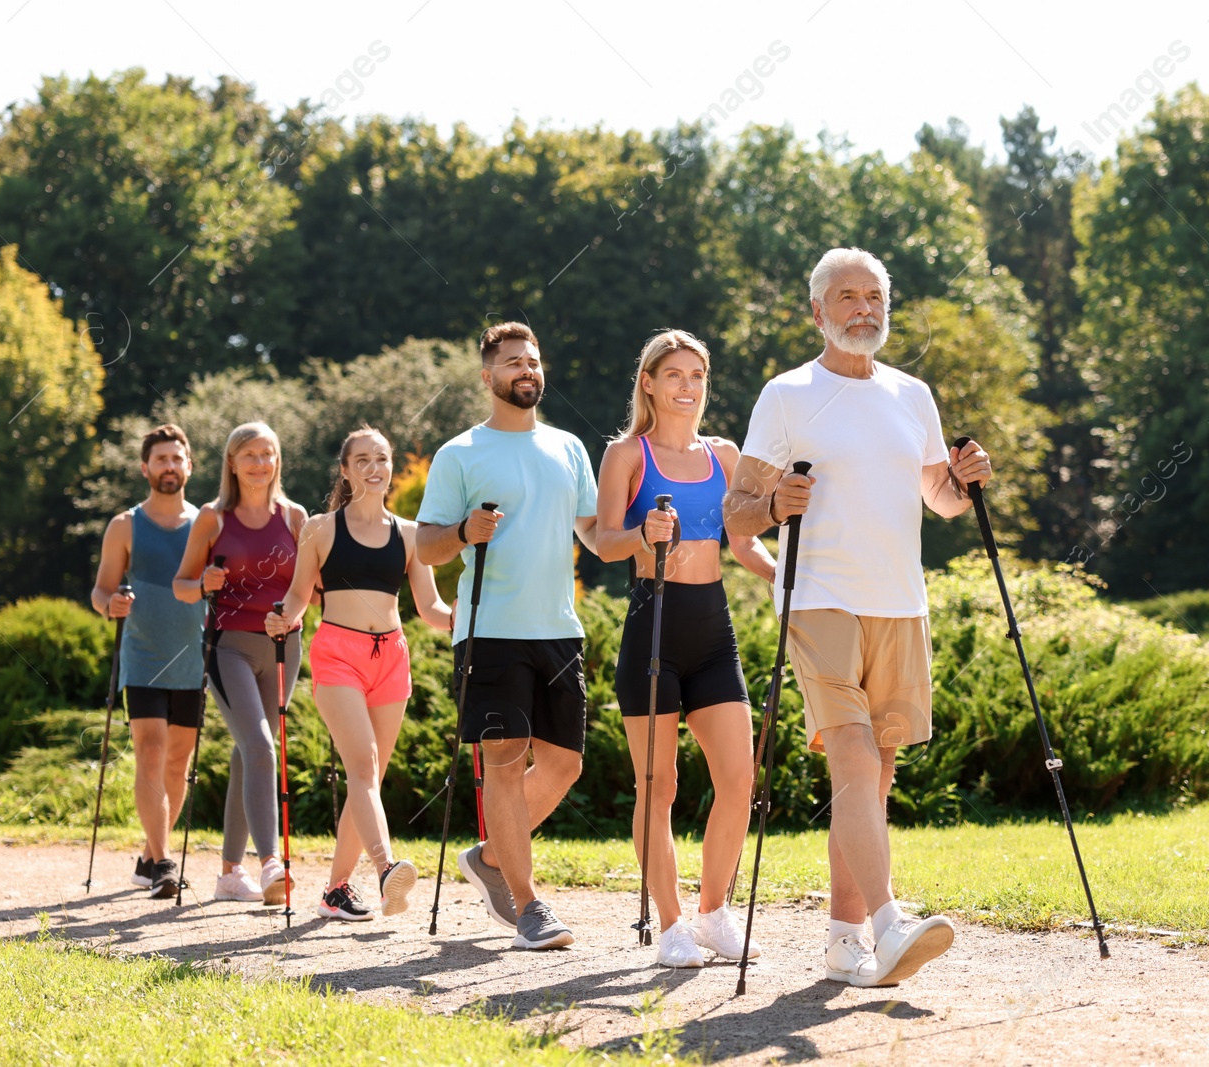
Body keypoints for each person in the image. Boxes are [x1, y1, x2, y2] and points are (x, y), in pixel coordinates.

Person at [724, 247, 992, 987]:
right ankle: (886, 924)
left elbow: (937, 496)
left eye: (874, 295)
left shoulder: (913, 395)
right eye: (847, 296)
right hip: (819, 596)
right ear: (818, 311)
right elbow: (735, 513)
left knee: (873, 781)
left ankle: (844, 940)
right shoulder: (787, 394)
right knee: (852, 757)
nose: (864, 308)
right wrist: (775, 503)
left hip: (899, 601)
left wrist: (964, 481)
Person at [415, 321, 600, 951]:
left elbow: (595, 534)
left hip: (557, 630)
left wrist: (650, 536)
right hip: (488, 630)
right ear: (488, 375)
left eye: (534, 361)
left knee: (564, 764)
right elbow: (427, 543)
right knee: (504, 758)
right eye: (514, 361)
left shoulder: (570, 448)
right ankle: (528, 907)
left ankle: (492, 856)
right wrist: (465, 531)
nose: (527, 370)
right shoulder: (459, 453)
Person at [596, 329, 777, 968]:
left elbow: (744, 542)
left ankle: (713, 913)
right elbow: (603, 541)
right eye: (673, 374)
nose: (686, 386)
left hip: (712, 629)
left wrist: (787, 575)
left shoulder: (725, 455)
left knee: (738, 778)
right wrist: (642, 534)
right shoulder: (626, 454)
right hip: (652, 627)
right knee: (659, 783)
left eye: (696, 375)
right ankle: (671, 923)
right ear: (648, 382)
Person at [264, 426, 454, 921]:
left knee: (365, 778)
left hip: (392, 657)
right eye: (363, 460)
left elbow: (429, 607)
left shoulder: (411, 534)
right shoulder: (321, 529)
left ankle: (335, 891)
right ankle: (387, 868)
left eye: (382, 459)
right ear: (346, 470)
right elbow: (299, 597)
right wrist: (281, 616)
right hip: (338, 653)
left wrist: (462, 616)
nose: (375, 468)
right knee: (364, 768)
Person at [173, 421, 314, 905]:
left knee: (247, 749)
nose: (260, 463)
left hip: (283, 646)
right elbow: (182, 585)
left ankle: (230, 873)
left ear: (278, 460)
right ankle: (271, 861)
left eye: (268, 453)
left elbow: (308, 589)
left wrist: (296, 613)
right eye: (250, 455)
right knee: (260, 745)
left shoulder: (296, 517)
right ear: (232, 462)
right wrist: (205, 584)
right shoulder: (212, 518)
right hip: (227, 647)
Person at [90, 424, 208, 899]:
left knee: (177, 764)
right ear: (145, 468)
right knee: (152, 753)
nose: (169, 467)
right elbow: (101, 590)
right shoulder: (124, 525)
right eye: (160, 460)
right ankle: (162, 862)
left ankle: (146, 856)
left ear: (189, 466)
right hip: (142, 658)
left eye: (176, 459)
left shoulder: (206, 524)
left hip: (191, 660)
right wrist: (108, 605)